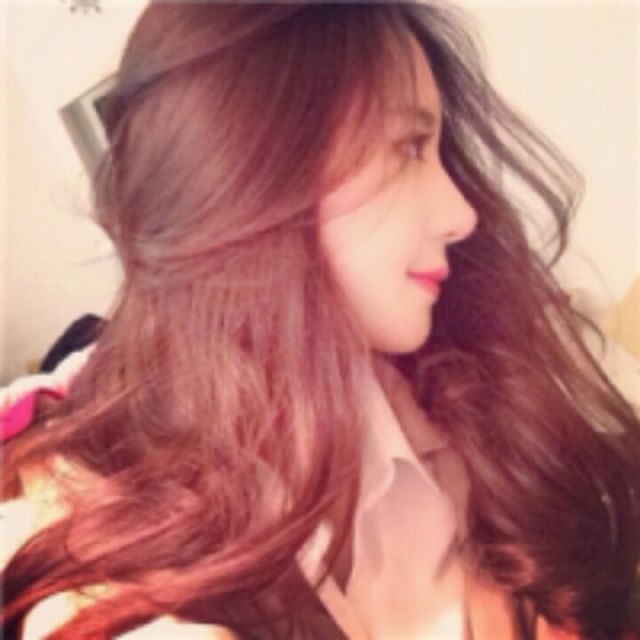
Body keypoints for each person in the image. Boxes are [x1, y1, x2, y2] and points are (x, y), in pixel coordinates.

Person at [2, 2, 639, 639]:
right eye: (409, 147)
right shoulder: (118, 581)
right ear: (243, 182)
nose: (460, 215)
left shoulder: (457, 393)